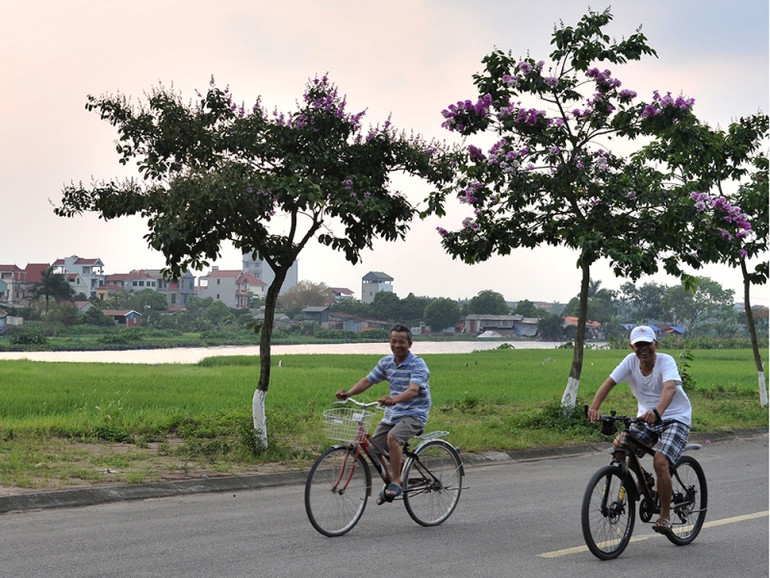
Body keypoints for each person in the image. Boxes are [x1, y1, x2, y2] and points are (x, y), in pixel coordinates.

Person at [587, 325, 692, 536]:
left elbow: (670, 388)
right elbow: (609, 383)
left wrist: (658, 411)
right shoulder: (630, 361)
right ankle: (646, 481)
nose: (643, 349)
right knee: (619, 446)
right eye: (638, 345)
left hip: (675, 418)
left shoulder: (666, 361)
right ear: (632, 346)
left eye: (647, 344)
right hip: (646, 417)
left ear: (656, 344)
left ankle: (664, 516)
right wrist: (594, 408)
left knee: (660, 461)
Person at [336, 323, 430, 504]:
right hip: (393, 415)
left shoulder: (418, 364)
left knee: (392, 438)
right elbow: (367, 381)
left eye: (401, 342)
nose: (397, 345)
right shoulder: (386, 362)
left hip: (414, 414)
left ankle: (396, 481)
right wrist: (348, 393)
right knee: (372, 449)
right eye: (393, 341)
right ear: (389, 342)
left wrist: (394, 399)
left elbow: (413, 391)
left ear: (410, 344)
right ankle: (392, 478)